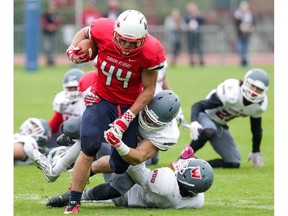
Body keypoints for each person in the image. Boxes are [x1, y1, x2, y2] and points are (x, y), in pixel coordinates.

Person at [65, 9, 165, 214]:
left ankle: (87, 172)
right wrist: (72, 48)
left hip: (128, 105)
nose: (127, 46)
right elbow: (84, 32)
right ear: (115, 33)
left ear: (143, 39)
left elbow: (149, 90)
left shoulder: (151, 50)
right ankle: (74, 201)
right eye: (123, 41)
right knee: (89, 145)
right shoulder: (103, 29)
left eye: (134, 42)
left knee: (119, 165)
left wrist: (127, 118)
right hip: (101, 98)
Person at [33, 88, 180, 183]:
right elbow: (111, 85)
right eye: (147, 116)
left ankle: (83, 171)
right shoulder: (145, 91)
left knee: (118, 166)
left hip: (132, 148)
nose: (147, 121)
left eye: (153, 121)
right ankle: (58, 166)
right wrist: (92, 91)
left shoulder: (168, 134)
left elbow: (139, 156)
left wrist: (118, 144)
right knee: (70, 128)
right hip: (123, 118)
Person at [171, 68, 269, 169]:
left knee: (233, 162)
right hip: (205, 115)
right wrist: (194, 122)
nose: (254, 91)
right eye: (253, 86)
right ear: (245, 82)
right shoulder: (232, 92)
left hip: (219, 125)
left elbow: (256, 129)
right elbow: (198, 106)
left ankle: (195, 164)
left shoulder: (258, 106)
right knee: (209, 130)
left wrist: (255, 150)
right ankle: (182, 159)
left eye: (259, 89)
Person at [46, 157, 214, 209]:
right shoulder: (196, 199)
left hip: (124, 192)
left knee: (105, 148)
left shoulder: (165, 185)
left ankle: (75, 194)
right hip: (137, 190)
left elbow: (135, 167)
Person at [47, 68, 85, 148]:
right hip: (65, 135)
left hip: (82, 136)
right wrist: (59, 112)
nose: (72, 90)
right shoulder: (60, 97)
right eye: (69, 88)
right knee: (45, 135)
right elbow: (52, 130)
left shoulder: (87, 100)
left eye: (75, 87)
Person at [233, 1, 256, 67]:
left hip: (247, 35)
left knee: (245, 49)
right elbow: (237, 24)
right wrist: (241, 28)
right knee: (240, 48)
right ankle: (243, 61)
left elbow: (253, 23)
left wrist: (250, 28)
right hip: (240, 35)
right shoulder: (237, 14)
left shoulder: (249, 14)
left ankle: (245, 62)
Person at [183, 2, 205, 66]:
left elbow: (202, 20)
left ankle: (201, 61)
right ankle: (191, 62)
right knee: (191, 49)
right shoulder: (187, 16)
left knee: (199, 48)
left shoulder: (199, 16)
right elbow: (184, 23)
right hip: (190, 35)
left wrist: (197, 15)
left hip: (198, 35)